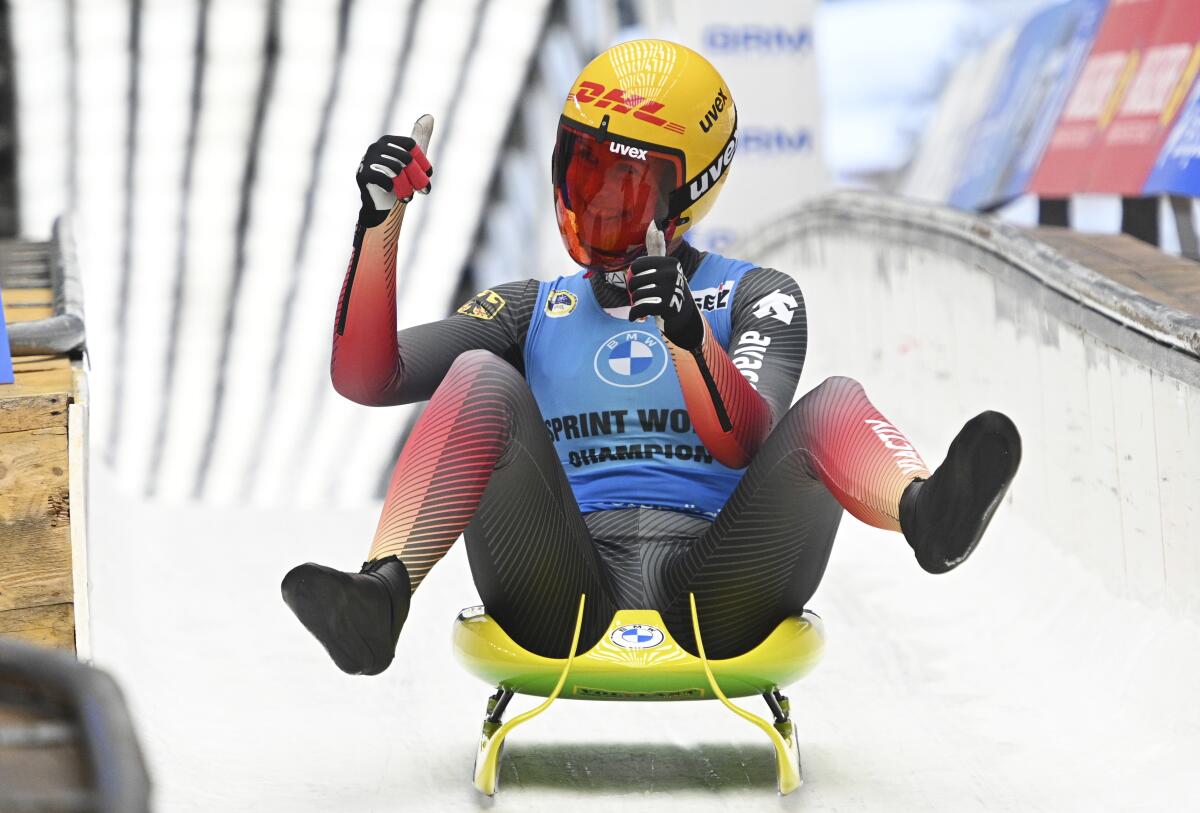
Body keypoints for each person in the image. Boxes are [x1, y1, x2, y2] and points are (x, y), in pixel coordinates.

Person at [281, 39, 1021, 674]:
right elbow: (367, 375)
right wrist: (379, 224)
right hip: (563, 579)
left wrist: (692, 336)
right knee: (477, 375)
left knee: (833, 401)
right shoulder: (530, 307)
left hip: (723, 582)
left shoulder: (756, 294)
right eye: (585, 170)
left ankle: (928, 513)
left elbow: (746, 438)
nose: (599, 203)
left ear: (688, 193)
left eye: (626, 183)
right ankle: (382, 593)